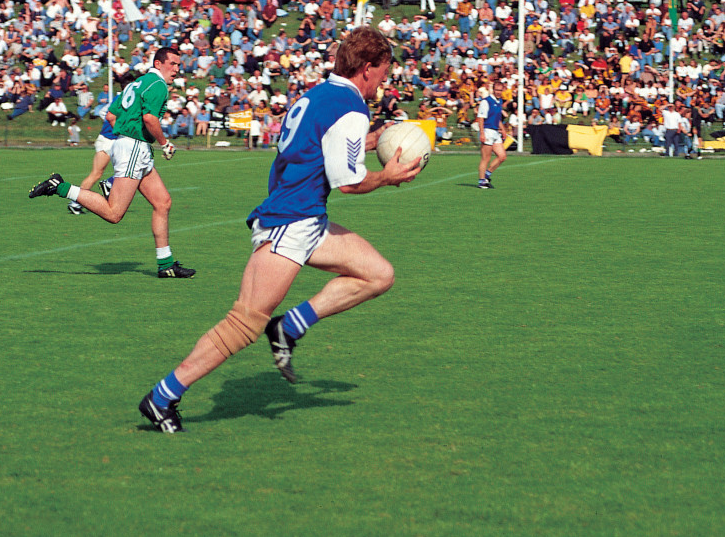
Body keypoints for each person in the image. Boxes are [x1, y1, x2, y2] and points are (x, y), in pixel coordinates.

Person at [137, 27, 423, 433]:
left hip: (306, 219)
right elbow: (349, 181)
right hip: (290, 222)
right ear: (367, 67)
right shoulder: (352, 108)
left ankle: (290, 326)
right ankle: (162, 397)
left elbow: (310, 148)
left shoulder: (318, 94)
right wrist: (388, 177)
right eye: (383, 71)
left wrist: (372, 137)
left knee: (378, 274)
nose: (384, 81)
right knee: (243, 323)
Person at [28, 47, 195, 279]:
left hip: (131, 146)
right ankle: (60, 186)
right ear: (158, 64)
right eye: (173, 64)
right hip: (135, 147)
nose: (177, 69)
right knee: (114, 213)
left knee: (163, 202)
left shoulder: (137, 83)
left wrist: (127, 136)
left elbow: (111, 115)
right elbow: (149, 118)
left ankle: (165, 264)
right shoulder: (157, 85)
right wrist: (164, 142)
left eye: (179, 64)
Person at [476, 81, 507, 188]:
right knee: (486, 158)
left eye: (500, 90)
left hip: (495, 132)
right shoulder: (486, 101)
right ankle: (481, 181)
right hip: (487, 131)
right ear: (493, 90)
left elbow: (497, 118)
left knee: (502, 156)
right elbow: (480, 118)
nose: (498, 92)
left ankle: (487, 174)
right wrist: (482, 133)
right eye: (497, 90)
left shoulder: (500, 101)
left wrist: (503, 130)